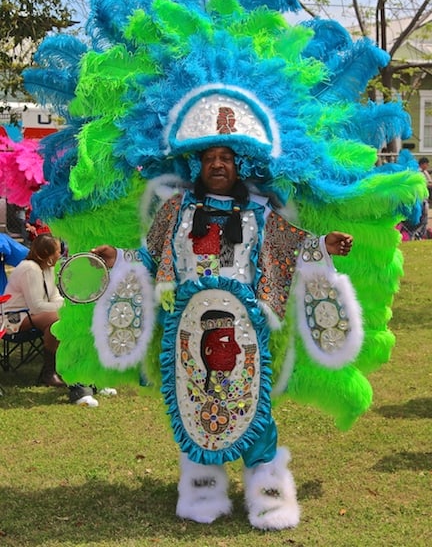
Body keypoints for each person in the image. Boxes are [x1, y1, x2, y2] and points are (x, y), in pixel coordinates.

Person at [93, 145, 357, 530]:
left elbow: (291, 248)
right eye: (209, 158)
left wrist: (322, 246)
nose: (218, 164)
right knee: (195, 400)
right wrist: (118, 258)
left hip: (245, 327)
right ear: (199, 165)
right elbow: (150, 256)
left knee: (254, 405)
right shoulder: (176, 209)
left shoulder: (259, 211)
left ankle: (268, 493)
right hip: (188, 328)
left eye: (226, 158)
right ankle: (203, 488)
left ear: (238, 166)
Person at [2, 234, 103, 406]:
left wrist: (69, 307)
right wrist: (65, 309)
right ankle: (54, 373)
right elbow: (37, 307)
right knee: (60, 318)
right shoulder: (30, 269)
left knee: (60, 321)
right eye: (58, 250)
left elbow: (55, 298)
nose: (61, 253)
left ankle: (58, 372)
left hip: (33, 316)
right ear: (47, 254)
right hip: (12, 319)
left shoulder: (48, 268)